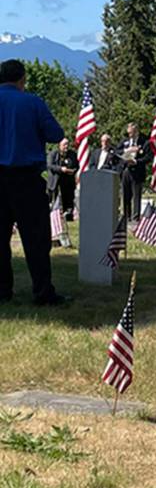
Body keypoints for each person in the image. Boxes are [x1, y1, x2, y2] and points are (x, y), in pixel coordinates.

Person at [0, 59, 67, 305]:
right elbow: (55, 134)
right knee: (36, 239)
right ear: (22, 79)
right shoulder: (32, 102)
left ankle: (2, 291)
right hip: (26, 178)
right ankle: (42, 291)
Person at [119, 122, 151, 222]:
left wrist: (136, 161)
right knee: (126, 195)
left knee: (136, 195)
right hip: (126, 170)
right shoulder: (125, 141)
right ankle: (126, 216)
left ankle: (135, 218)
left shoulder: (145, 142)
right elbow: (116, 151)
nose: (130, 135)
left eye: (131, 133)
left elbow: (148, 157)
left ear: (136, 131)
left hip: (137, 171)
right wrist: (126, 150)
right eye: (128, 133)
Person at [46, 138, 78, 220]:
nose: (66, 146)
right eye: (64, 145)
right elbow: (50, 166)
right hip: (55, 182)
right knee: (53, 201)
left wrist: (73, 171)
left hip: (68, 182)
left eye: (67, 144)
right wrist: (60, 169)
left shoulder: (72, 154)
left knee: (68, 201)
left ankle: (68, 217)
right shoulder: (52, 154)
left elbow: (77, 166)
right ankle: (52, 217)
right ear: (59, 145)